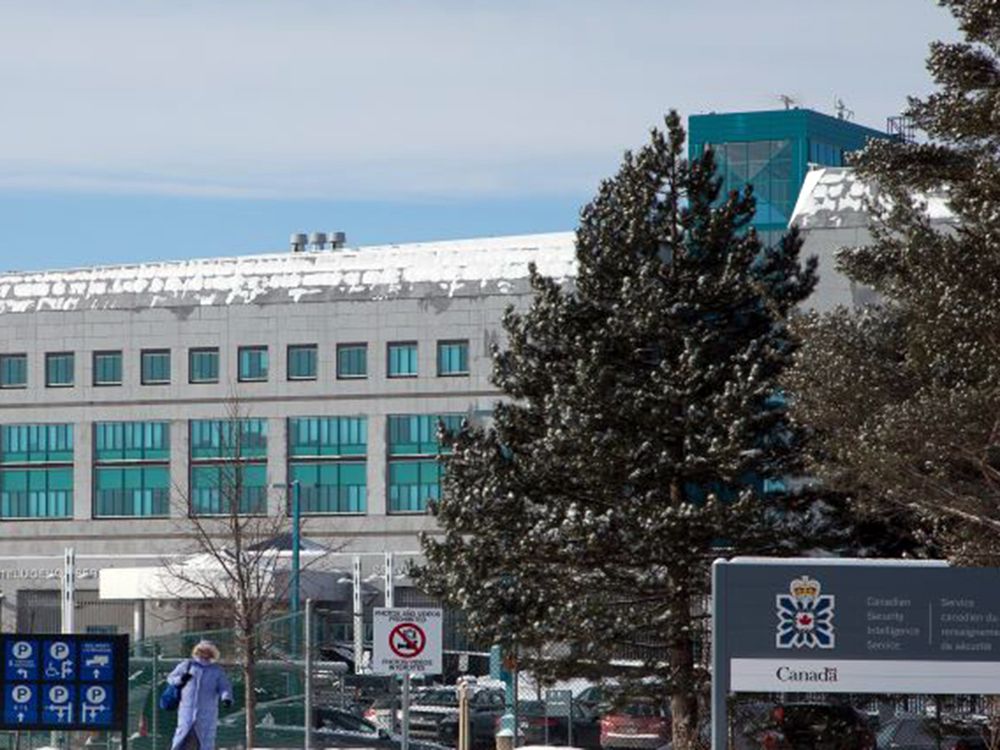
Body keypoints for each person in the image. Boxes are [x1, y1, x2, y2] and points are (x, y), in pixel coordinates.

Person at [167, 640, 234, 750]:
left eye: (207, 651)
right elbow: (171, 678)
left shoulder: (216, 670)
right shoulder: (187, 665)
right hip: (187, 712)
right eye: (202, 650)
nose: (204, 653)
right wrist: (181, 679)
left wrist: (226, 698)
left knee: (205, 740)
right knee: (182, 738)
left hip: (207, 713)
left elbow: (224, 686)